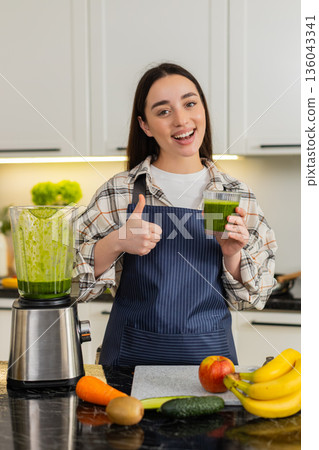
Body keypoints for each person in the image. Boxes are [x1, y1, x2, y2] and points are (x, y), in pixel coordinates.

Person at [74, 62, 277, 366]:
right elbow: (72, 285)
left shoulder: (236, 195)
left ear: (203, 109)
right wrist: (117, 241)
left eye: (190, 103)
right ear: (145, 125)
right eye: (163, 111)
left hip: (210, 367)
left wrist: (232, 255)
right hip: (129, 367)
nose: (181, 120)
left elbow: (254, 297)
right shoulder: (120, 191)